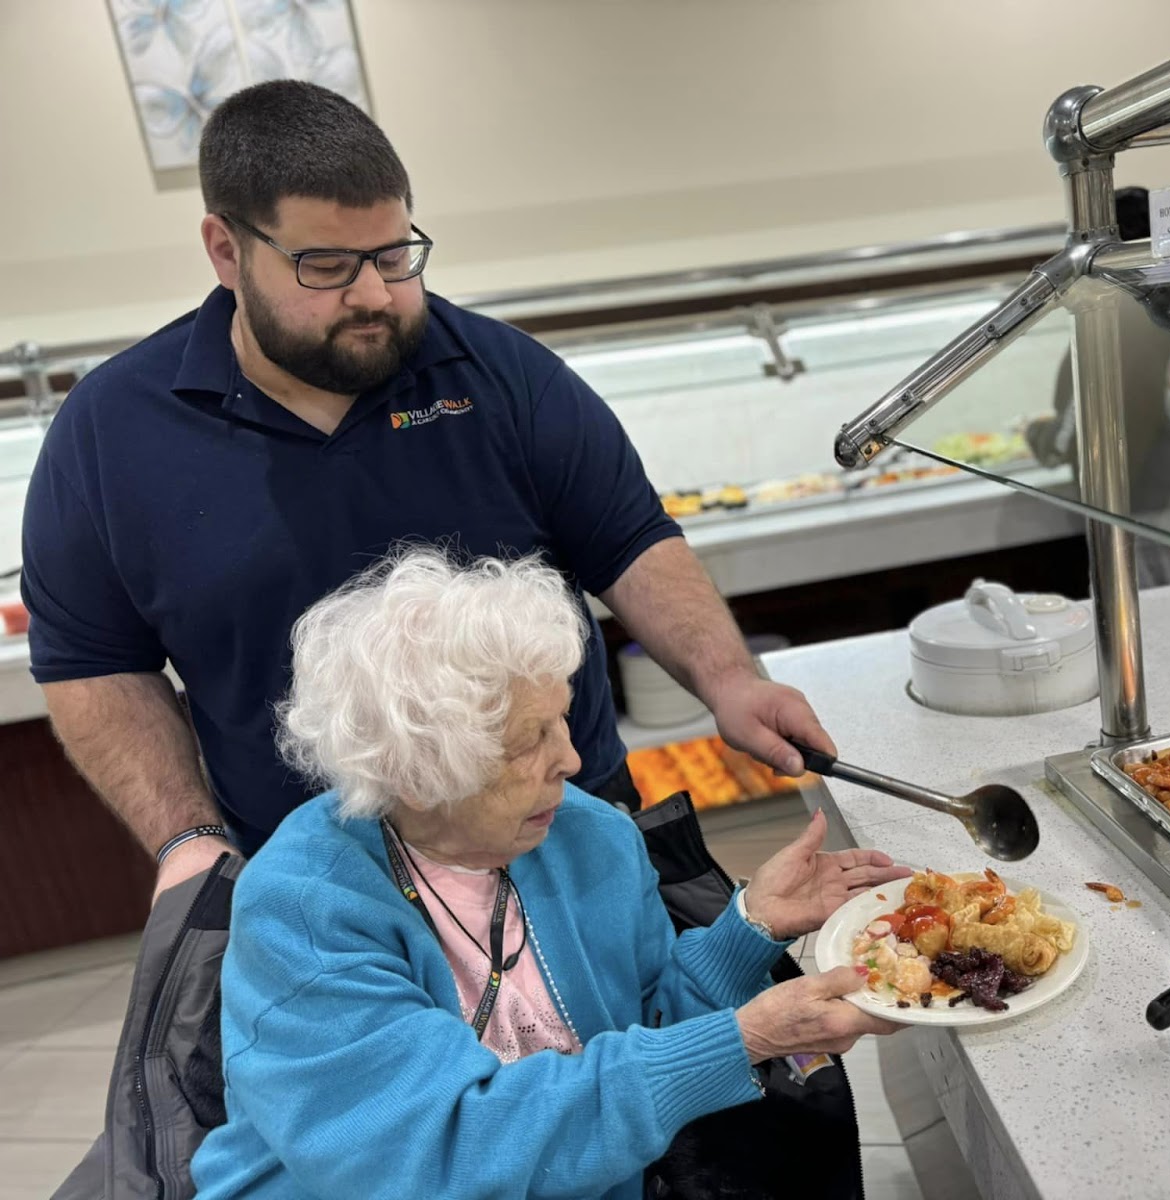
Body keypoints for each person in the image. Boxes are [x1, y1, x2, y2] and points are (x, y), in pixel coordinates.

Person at [21, 80, 835, 900]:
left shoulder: (500, 372)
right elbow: (95, 663)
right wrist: (187, 840)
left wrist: (730, 680)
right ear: (227, 251)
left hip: (568, 845)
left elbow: (629, 542)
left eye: (394, 255)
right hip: (323, 892)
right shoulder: (111, 431)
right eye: (327, 266)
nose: (373, 294)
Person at [185, 547, 905, 1198]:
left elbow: (645, 1025)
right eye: (531, 738)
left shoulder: (587, 834)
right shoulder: (305, 908)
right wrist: (744, 1039)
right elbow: (441, 1157)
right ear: (419, 771)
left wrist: (747, 931)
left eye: (561, 719)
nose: (570, 759)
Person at [1024, 186, 1170, 587]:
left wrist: (1036, 435)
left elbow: (1071, 433)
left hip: (1141, 504)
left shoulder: (1115, 323)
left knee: (1138, 623)